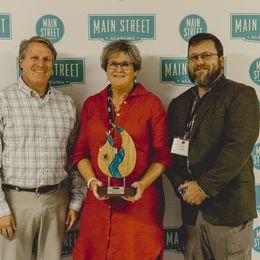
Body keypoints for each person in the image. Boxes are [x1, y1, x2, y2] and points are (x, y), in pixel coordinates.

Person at [72, 39, 171, 259]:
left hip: (139, 204)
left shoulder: (151, 104)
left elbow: (162, 157)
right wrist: (91, 182)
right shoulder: (91, 104)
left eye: (125, 64)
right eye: (112, 64)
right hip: (98, 206)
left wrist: (141, 185)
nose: (118, 69)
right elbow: (80, 154)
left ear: (136, 69)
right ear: (105, 70)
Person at [167, 32, 260, 260]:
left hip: (228, 211)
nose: (199, 62)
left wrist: (203, 188)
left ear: (221, 59)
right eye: (193, 57)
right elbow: (169, 153)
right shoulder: (179, 104)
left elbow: (237, 147)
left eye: (206, 55)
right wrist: (182, 188)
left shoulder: (241, 94)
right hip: (190, 212)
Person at [0, 36, 84, 260]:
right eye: (34, 57)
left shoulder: (67, 105)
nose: (41, 64)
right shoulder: (3, 100)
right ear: (21, 62)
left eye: (47, 59)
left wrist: (76, 202)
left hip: (57, 201)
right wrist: (2, 210)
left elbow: (75, 158)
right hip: (15, 201)